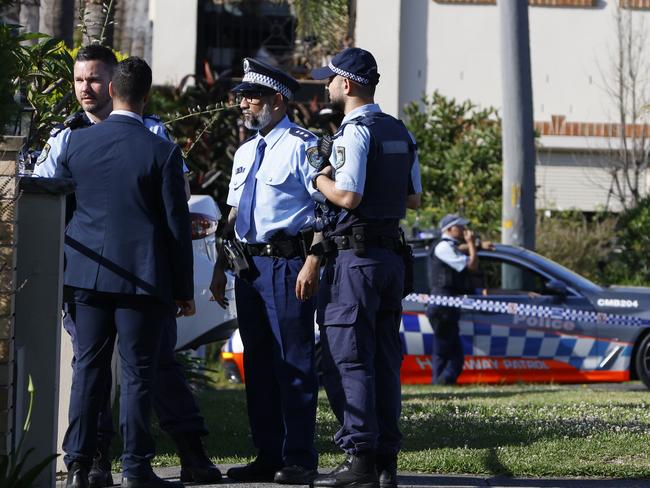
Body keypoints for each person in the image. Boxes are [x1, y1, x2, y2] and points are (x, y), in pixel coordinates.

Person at [39, 45, 220, 486]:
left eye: (92, 80)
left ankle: (79, 464)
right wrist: (182, 289)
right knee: (139, 374)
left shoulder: (73, 144)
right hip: (142, 279)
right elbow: (176, 226)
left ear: (112, 87)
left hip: (87, 276)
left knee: (89, 371)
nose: (85, 89)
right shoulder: (159, 149)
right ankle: (136, 467)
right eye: (78, 80)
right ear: (142, 97)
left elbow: (53, 206)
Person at [310, 47, 422, 488]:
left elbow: (349, 196)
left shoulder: (353, 134)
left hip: (356, 263)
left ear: (348, 85)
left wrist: (318, 178)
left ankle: (360, 460)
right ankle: (384, 465)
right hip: (390, 258)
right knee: (383, 360)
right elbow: (413, 199)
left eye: (331, 80)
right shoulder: (399, 129)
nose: (327, 86)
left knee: (348, 360)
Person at [209, 57, 322, 485]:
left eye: (251, 97)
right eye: (241, 97)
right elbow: (234, 212)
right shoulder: (244, 151)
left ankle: (299, 458)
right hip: (248, 267)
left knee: (292, 362)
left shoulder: (302, 145)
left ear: (278, 99)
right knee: (256, 362)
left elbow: (324, 210)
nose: (243, 104)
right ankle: (267, 453)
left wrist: (313, 260)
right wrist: (222, 266)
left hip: (287, 263)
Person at [428, 214, 493, 385]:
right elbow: (472, 266)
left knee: (448, 349)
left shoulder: (447, 246)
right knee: (449, 352)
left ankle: (441, 383)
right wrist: (472, 244)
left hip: (447, 303)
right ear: (449, 229)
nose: (464, 230)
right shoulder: (443, 247)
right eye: (460, 227)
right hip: (443, 303)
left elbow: (459, 249)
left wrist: (478, 246)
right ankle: (440, 383)